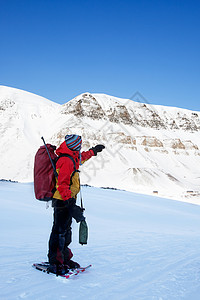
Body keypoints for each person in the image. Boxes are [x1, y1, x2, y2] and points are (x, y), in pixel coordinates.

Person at [48, 134, 105, 275]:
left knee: (66, 231)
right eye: (79, 145)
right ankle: (55, 262)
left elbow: (81, 158)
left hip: (67, 199)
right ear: (74, 146)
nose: (80, 148)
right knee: (59, 232)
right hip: (62, 200)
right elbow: (62, 184)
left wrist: (93, 151)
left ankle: (65, 259)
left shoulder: (71, 156)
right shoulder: (66, 161)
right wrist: (69, 203)